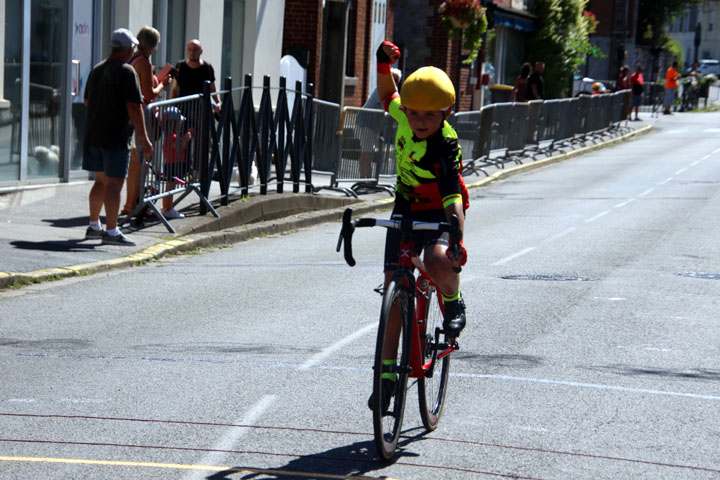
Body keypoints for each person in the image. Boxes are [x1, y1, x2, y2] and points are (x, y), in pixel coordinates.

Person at [369, 40, 469, 411]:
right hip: (405, 204)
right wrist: (382, 65)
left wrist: (456, 235)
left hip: (441, 208)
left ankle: (453, 300)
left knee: (439, 261)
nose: (421, 121)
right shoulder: (404, 115)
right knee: (394, 293)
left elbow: (451, 196)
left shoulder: (445, 144)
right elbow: (386, 94)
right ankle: (388, 376)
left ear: (445, 113)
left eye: (431, 115)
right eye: (414, 114)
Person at [83, 28, 153, 246]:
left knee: (100, 181)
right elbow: (134, 106)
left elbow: (86, 101)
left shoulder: (96, 69)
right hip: (114, 137)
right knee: (115, 184)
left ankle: (94, 225)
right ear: (128, 48)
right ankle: (112, 231)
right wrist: (144, 138)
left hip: (93, 134)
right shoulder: (126, 71)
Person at [121, 26, 173, 217]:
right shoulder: (145, 63)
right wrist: (163, 85)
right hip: (142, 115)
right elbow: (149, 94)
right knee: (139, 162)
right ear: (153, 46)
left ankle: (129, 204)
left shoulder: (132, 58)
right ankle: (133, 204)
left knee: (135, 162)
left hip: (133, 114)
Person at [167, 39, 221, 216]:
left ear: (201, 51)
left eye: (195, 49)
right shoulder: (180, 67)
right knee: (181, 142)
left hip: (200, 111)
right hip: (183, 110)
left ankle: (200, 173)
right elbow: (175, 87)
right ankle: (184, 172)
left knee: (202, 142)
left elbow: (212, 87)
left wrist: (218, 103)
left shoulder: (207, 68)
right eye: (189, 49)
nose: (192, 52)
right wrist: (170, 105)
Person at [358, 68, 402, 178]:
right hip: (366, 122)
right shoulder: (382, 89)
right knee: (367, 152)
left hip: (373, 125)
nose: (393, 81)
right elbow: (387, 106)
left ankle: (367, 178)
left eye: (396, 80)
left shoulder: (393, 90)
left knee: (369, 152)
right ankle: (363, 178)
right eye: (392, 78)